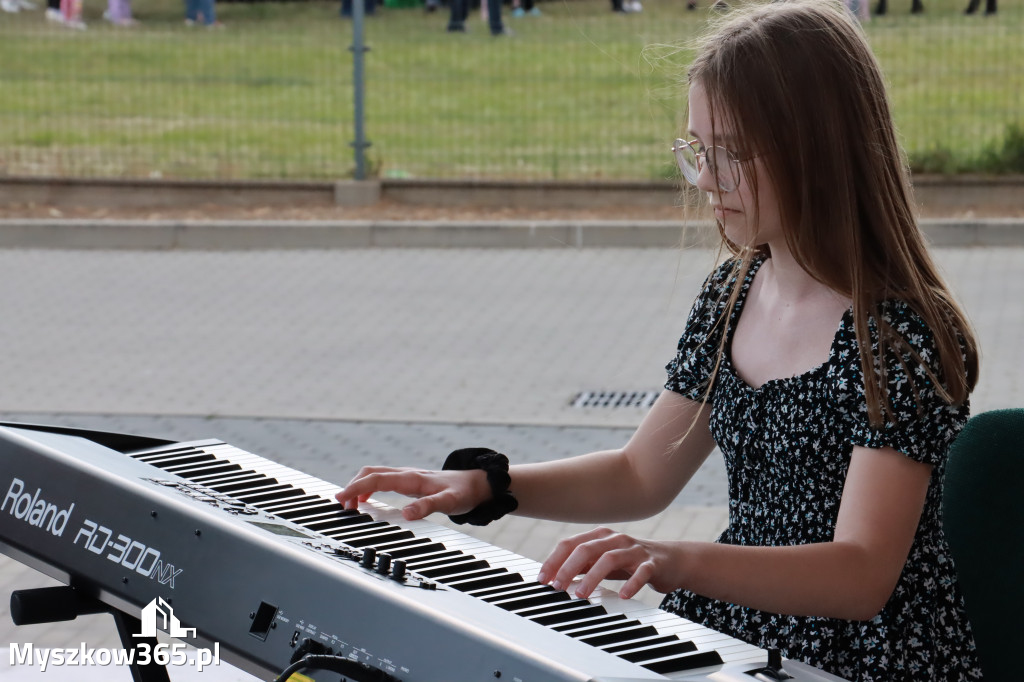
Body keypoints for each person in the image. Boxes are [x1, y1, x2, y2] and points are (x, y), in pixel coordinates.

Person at [336, 2, 982, 680]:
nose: (704, 179)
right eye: (699, 150)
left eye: (730, 154)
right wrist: (485, 485)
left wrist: (676, 559)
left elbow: (859, 575)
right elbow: (641, 473)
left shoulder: (903, 336)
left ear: (814, 150)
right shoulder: (734, 294)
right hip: (746, 638)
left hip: (869, 660)